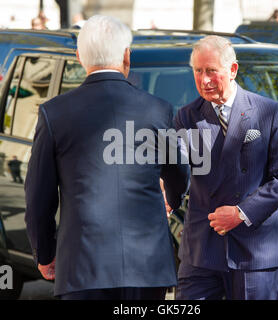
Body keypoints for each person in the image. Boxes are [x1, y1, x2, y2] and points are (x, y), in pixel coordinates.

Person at [25, 15, 190, 300]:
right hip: (147, 265)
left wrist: (45, 252)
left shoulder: (54, 113)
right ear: (127, 56)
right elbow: (179, 173)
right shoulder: (158, 109)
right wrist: (172, 200)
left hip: (82, 265)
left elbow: (39, 196)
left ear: (79, 57)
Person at [173, 35, 278, 300]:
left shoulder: (268, 112)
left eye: (211, 71)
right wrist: (163, 187)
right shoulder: (186, 116)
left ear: (232, 70)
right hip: (201, 253)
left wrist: (241, 213)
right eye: (198, 71)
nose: (204, 80)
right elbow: (178, 167)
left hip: (254, 253)